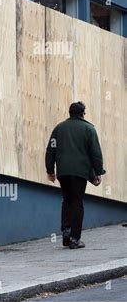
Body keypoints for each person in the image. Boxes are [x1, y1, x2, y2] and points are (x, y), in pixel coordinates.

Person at [45, 101, 105, 249]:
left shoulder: (59, 129)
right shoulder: (89, 129)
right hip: (80, 173)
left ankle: (66, 231)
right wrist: (98, 172)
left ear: (70, 112)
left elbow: (50, 150)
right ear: (83, 113)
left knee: (67, 200)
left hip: (63, 172)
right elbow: (95, 153)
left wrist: (50, 170)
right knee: (77, 202)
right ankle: (75, 239)